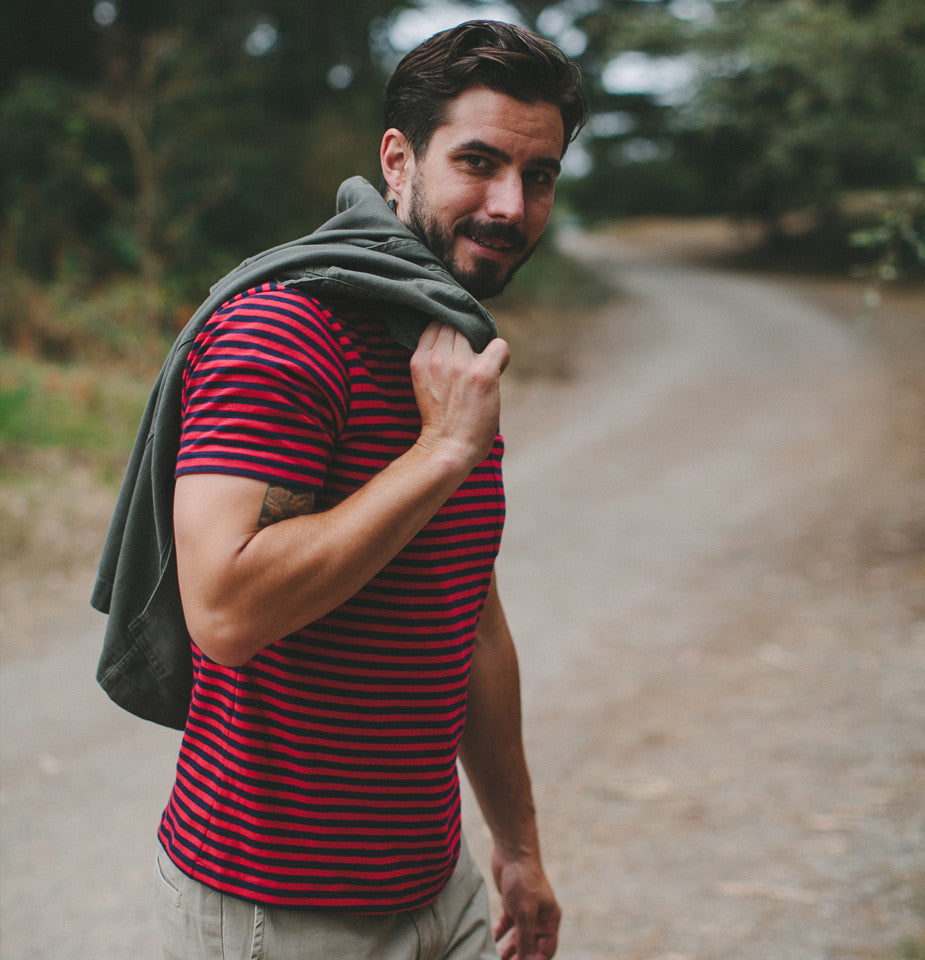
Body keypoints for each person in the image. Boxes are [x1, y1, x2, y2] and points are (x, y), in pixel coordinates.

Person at [145, 19, 587, 960]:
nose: (510, 203)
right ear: (399, 159)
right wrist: (438, 454)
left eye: (539, 174)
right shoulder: (285, 334)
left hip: (438, 882)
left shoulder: (444, 336)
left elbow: (467, 611)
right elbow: (223, 607)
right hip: (281, 905)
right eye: (478, 161)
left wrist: (515, 847)